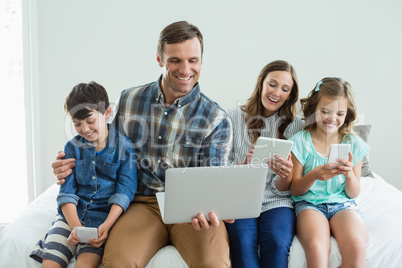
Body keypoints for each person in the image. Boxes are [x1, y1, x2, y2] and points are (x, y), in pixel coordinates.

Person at [51, 21, 233, 267]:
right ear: (159, 59)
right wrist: (67, 164)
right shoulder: (129, 99)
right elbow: (102, 144)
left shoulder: (217, 118)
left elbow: (214, 179)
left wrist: (216, 207)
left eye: (193, 60)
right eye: (175, 60)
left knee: (214, 264)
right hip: (142, 203)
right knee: (117, 262)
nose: (186, 69)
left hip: (192, 208)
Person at [30, 81, 137, 268]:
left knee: (85, 265)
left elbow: (125, 191)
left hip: (101, 221)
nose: (85, 129)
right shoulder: (72, 147)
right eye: (77, 124)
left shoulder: (125, 147)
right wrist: (75, 228)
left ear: (107, 113)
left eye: (90, 121)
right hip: (70, 218)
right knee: (49, 264)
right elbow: (67, 193)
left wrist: (107, 226)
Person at [225, 60, 303, 268]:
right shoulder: (232, 117)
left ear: (290, 94)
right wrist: (241, 167)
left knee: (277, 243)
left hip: (277, 201)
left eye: (285, 89)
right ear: (260, 82)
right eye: (272, 84)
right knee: (242, 242)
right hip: (241, 199)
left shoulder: (296, 127)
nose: (276, 92)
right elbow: (221, 169)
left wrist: (286, 175)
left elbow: (286, 187)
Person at [289, 77, 369, 267]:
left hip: (343, 205)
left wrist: (349, 174)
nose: (332, 118)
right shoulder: (300, 141)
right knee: (317, 247)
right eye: (325, 111)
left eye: (340, 113)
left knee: (357, 245)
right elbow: (295, 189)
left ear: (347, 114)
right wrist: (314, 175)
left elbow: (354, 193)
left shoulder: (353, 144)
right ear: (314, 109)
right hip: (310, 205)